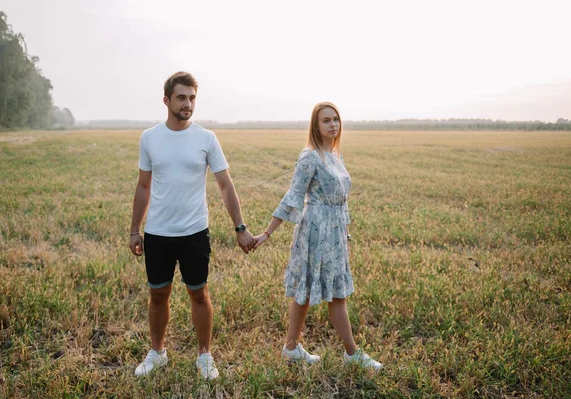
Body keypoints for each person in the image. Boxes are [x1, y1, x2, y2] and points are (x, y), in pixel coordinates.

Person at [129, 71, 255, 379]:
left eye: (192, 98)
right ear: (167, 100)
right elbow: (143, 187)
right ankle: (157, 352)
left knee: (199, 294)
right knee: (158, 295)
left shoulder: (206, 138)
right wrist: (135, 228)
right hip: (158, 234)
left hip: (195, 233)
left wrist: (240, 228)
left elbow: (226, 186)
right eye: (182, 97)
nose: (188, 104)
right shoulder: (150, 137)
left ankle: (204, 356)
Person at [253, 102, 382, 371]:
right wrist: (267, 233)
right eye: (326, 120)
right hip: (314, 229)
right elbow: (293, 196)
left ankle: (290, 347)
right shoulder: (309, 157)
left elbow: (343, 201)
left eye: (336, 119)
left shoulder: (336, 156)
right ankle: (351, 353)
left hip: (334, 231)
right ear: (316, 125)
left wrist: (345, 235)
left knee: (321, 291)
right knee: (318, 293)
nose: (333, 124)